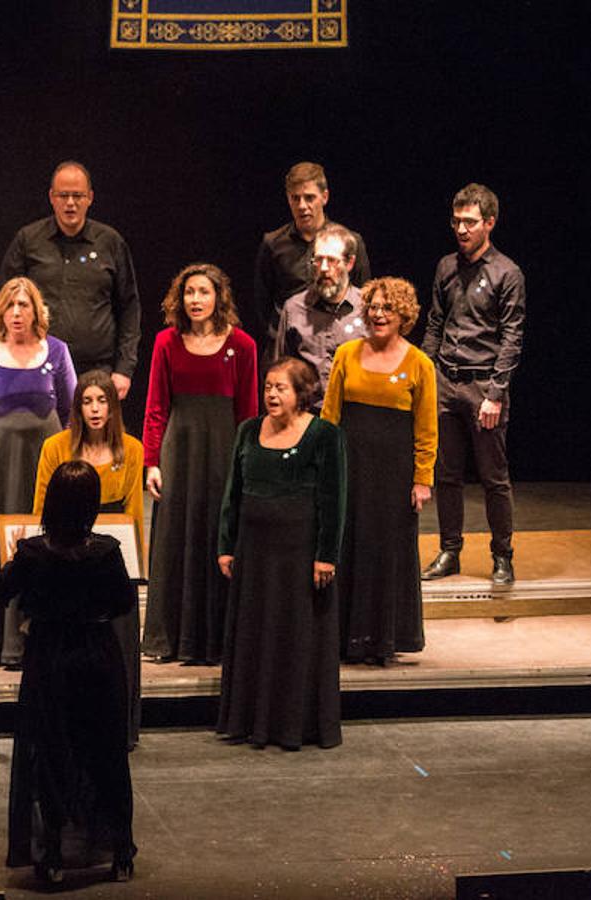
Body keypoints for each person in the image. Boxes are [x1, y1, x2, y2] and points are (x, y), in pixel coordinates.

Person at [0, 461, 137, 885]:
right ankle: (119, 851)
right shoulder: (108, 552)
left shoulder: (34, 553)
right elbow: (124, 604)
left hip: (50, 657)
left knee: (51, 752)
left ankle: (52, 852)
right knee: (105, 751)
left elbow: (0, 591)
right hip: (97, 655)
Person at [216, 357, 346, 750]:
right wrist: (226, 545)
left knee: (294, 635)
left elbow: (333, 499)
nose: (271, 394)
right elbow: (232, 493)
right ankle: (249, 721)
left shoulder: (324, 435)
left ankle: (293, 724)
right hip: (255, 553)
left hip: (298, 554)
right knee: (256, 633)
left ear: (301, 393)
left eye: (281, 388)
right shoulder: (248, 430)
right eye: (268, 387)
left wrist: (326, 555)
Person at [0, 277, 75, 668]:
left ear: (37, 311)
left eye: (25, 305)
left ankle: (39, 636)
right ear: (0, 312)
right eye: (11, 305)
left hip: (43, 463)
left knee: (45, 539)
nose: (18, 313)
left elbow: (72, 414)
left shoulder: (56, 351)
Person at [141, 263, 258, 665]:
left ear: (218, 297)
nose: (195, 300)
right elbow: (156, 406)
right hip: (181, 449)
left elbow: (248, 411)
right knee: (177, 536)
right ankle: (170, 638)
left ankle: (217, 640)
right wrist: (152, 461)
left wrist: (248, 463)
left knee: (218, 532)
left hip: (225, 450)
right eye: (189, 292)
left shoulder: (242, 345)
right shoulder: (166, 343)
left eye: (203, 292)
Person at [322, 278, 437, 664]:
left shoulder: (420, 363)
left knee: (386, 551)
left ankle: (384, 638)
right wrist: (321, 464)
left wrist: (423, 478)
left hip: (393, 476)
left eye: (388, 308)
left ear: (404, 314)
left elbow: (426, 429)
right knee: (348, 544)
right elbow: (330, 416)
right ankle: (343, 637)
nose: (379, 314)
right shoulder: (347, 354)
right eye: (373, 307)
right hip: (349, 468)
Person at [33, 370, 144, 747]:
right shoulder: (56, 448)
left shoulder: (131, 449)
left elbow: (133, 516)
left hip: (109, 559)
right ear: (77, 407)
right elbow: (40, 512)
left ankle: (116, 728)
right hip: (65, 558)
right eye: (87, 401)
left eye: (102, 401)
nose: (95, 409)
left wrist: (134, 568)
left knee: (116, 641)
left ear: (113, 407)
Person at [421, 183, 525, 586]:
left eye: (470, 222)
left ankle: (503, 556)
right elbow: (435, 322)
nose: (461, 229)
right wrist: (424, 371)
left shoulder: (507, 272)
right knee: (446, 474)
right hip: (447, 380)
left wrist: (495, 393)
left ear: (489, 223)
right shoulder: (446, 267)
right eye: (456, 221)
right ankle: (450, 551)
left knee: (493, 477)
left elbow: (512, 336)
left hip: (484, 387)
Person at [0, 160, 140, 398]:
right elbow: (3, 304)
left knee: (95, 436)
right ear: (52, 197)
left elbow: (129, 308)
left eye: (78, 195)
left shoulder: (110, 242)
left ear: (90, 197)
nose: (71, 203)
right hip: (37, 365)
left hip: (98, 370)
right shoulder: (28, 240)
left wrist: (124, 369)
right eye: (63, 195)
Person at [252, 162, 370, 364]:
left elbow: (363, 295)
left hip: (339, 345)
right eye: (295, 198)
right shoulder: (273, 243)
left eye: (309, 198)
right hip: (290, 348)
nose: (302, 206)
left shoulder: (350, 241)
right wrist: (279, 334)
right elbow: (262, 301)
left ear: (324, 197)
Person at [272, 223, 366, 411]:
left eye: (332, 260)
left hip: (355, 415)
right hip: (308, 417)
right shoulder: (294, 308)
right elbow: (282, 370)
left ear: (349, 263)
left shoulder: (367, 308)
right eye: (318, 260)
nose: (323, 268)